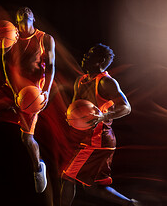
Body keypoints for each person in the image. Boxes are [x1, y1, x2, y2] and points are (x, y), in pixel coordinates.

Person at [60, 43, 141, 206]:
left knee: (67, 178)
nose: (85, 56)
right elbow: (75, 106)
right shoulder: (80, 81)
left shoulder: (106, 82)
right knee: (94, 187)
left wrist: (103, 116)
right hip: (89, 140)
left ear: (101, 60)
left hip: (99, 141)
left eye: (90, 55)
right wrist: (71, 116)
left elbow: (126, 107)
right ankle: (131, 204)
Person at [0, 7, 55, 193]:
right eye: (20, 17)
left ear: (33, 18)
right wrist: (12, 89)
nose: (24, 18)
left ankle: (38, 168)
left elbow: (51, 66)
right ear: (17, 20)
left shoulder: (45, 38)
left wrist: (46, 91)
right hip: (14, 88)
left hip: (33, 93)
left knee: (26, 137)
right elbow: (5, 63)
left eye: (27, 15)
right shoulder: (11, 37)